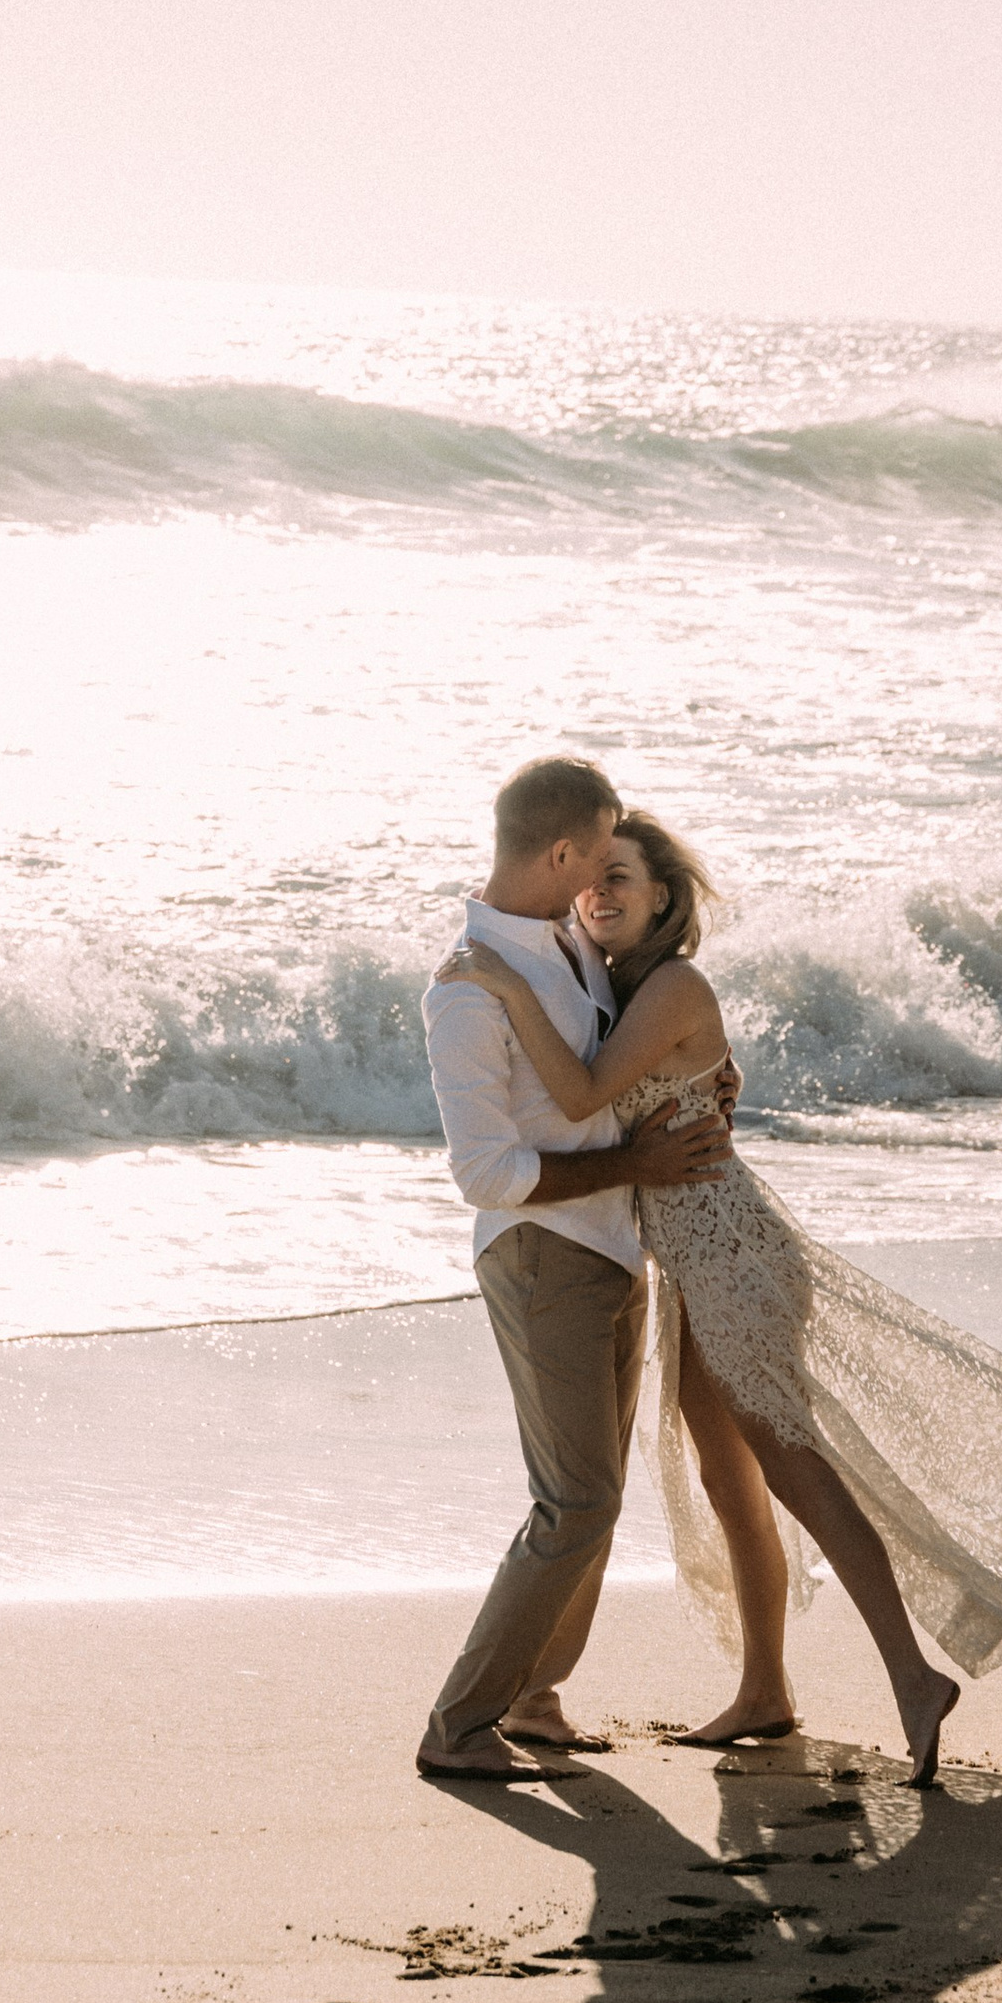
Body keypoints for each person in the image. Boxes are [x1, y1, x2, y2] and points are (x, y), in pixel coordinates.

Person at [438, 809, 1002, 1786]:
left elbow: (577, 1095)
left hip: (732, 1259)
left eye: (625, 878)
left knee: (796, 1467)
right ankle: (764, 1690)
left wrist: (488, 978)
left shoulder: (667, 985)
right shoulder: (602, 980)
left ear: (666, 897)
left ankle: (911, 1676)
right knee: (728, 1475)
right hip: (691, 1267)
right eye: (593, 877)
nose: (601, 893)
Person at [416, 756, 736, 1782]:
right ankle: (459, 1725)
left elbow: (628, 1066)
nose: (606, 874)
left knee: (588, 1499)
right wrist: (632, 1162)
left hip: (613, 1248)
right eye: (598, 853)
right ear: (559, 852)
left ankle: (535, 1699)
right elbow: (486, 1174)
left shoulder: (570, 946)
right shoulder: (469, 988)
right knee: (577, 1502)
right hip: (540, 1255)